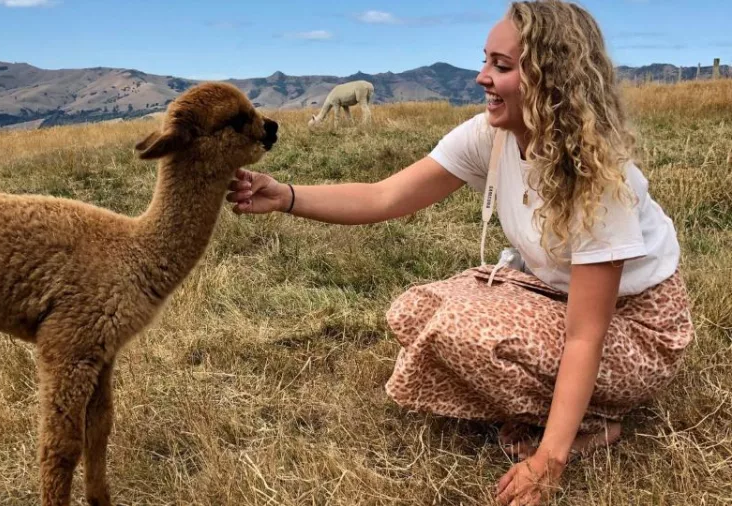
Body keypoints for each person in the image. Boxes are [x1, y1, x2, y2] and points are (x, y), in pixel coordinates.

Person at [225, 0, 693, 504]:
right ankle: (554, 404)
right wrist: (286, 196)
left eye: (502, 66)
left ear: (552, 80)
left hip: (637, 329)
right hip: (555, 292)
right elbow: (387, 196)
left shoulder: (596, 179)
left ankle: (598, 422)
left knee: (460, 330)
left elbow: (585, 335)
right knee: (414, 311)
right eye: (485, 60)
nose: (481, 77)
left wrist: (548, 461)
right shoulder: (490, 136)